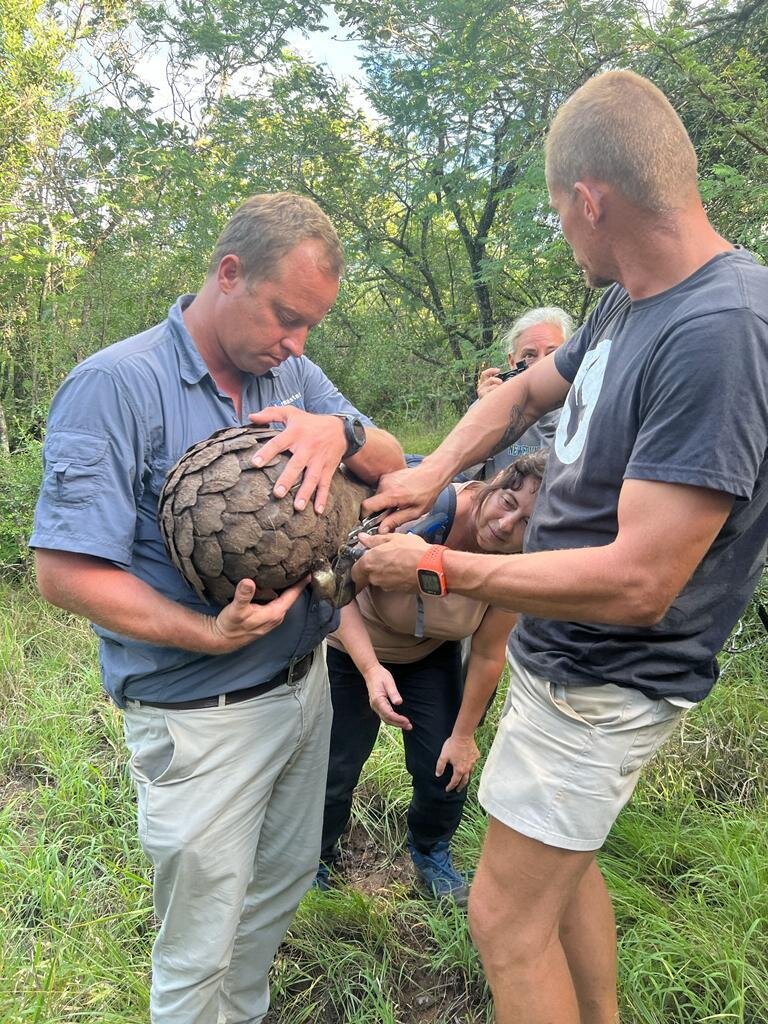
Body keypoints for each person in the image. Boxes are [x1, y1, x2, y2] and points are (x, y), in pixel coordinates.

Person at [353, 70, 768, 1024]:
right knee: (563, 876)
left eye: (560, 213)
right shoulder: (634, 298)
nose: (565, 234)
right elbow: (527, 395)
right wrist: (433, 472)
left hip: (606, 681)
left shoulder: (721, 331)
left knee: (502, 918)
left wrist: (438, 566)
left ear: (592, 199)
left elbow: (639, 582)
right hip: (559, 663)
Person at [30, 192, 404, 1024]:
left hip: (303, 691)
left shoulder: (292, 377)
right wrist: (206, 632)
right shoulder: (115, 385)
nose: (297, 342)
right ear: (229, 273)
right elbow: (62, 573)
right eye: (286, 316)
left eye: (312, 325)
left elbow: (387, 456)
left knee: (274, 897)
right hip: (200, 717)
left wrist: (334, 432)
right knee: (198, 949)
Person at [317, 452, 547, 904]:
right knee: (335, 764)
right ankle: (317, 857)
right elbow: (334, 590)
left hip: (429, 654)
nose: (506, 525)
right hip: (353, 646)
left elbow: (486, 654)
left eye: (526, 523)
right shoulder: (420, 509)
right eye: (507, 502)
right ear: (496, 480)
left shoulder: (518, 560)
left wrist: (464, 736)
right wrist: (369, 669)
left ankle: (430, 852)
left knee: (444, 766)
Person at [474, 306, 573, 479]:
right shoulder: (491, 400)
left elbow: (554, 478)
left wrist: (550, 404)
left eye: (553, 353)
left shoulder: (581, 407)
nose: (542, 364)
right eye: (529, 355)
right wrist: (484, 415)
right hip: (494, 500)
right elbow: (463, 476)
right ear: (512, 362)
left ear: (571, 357)